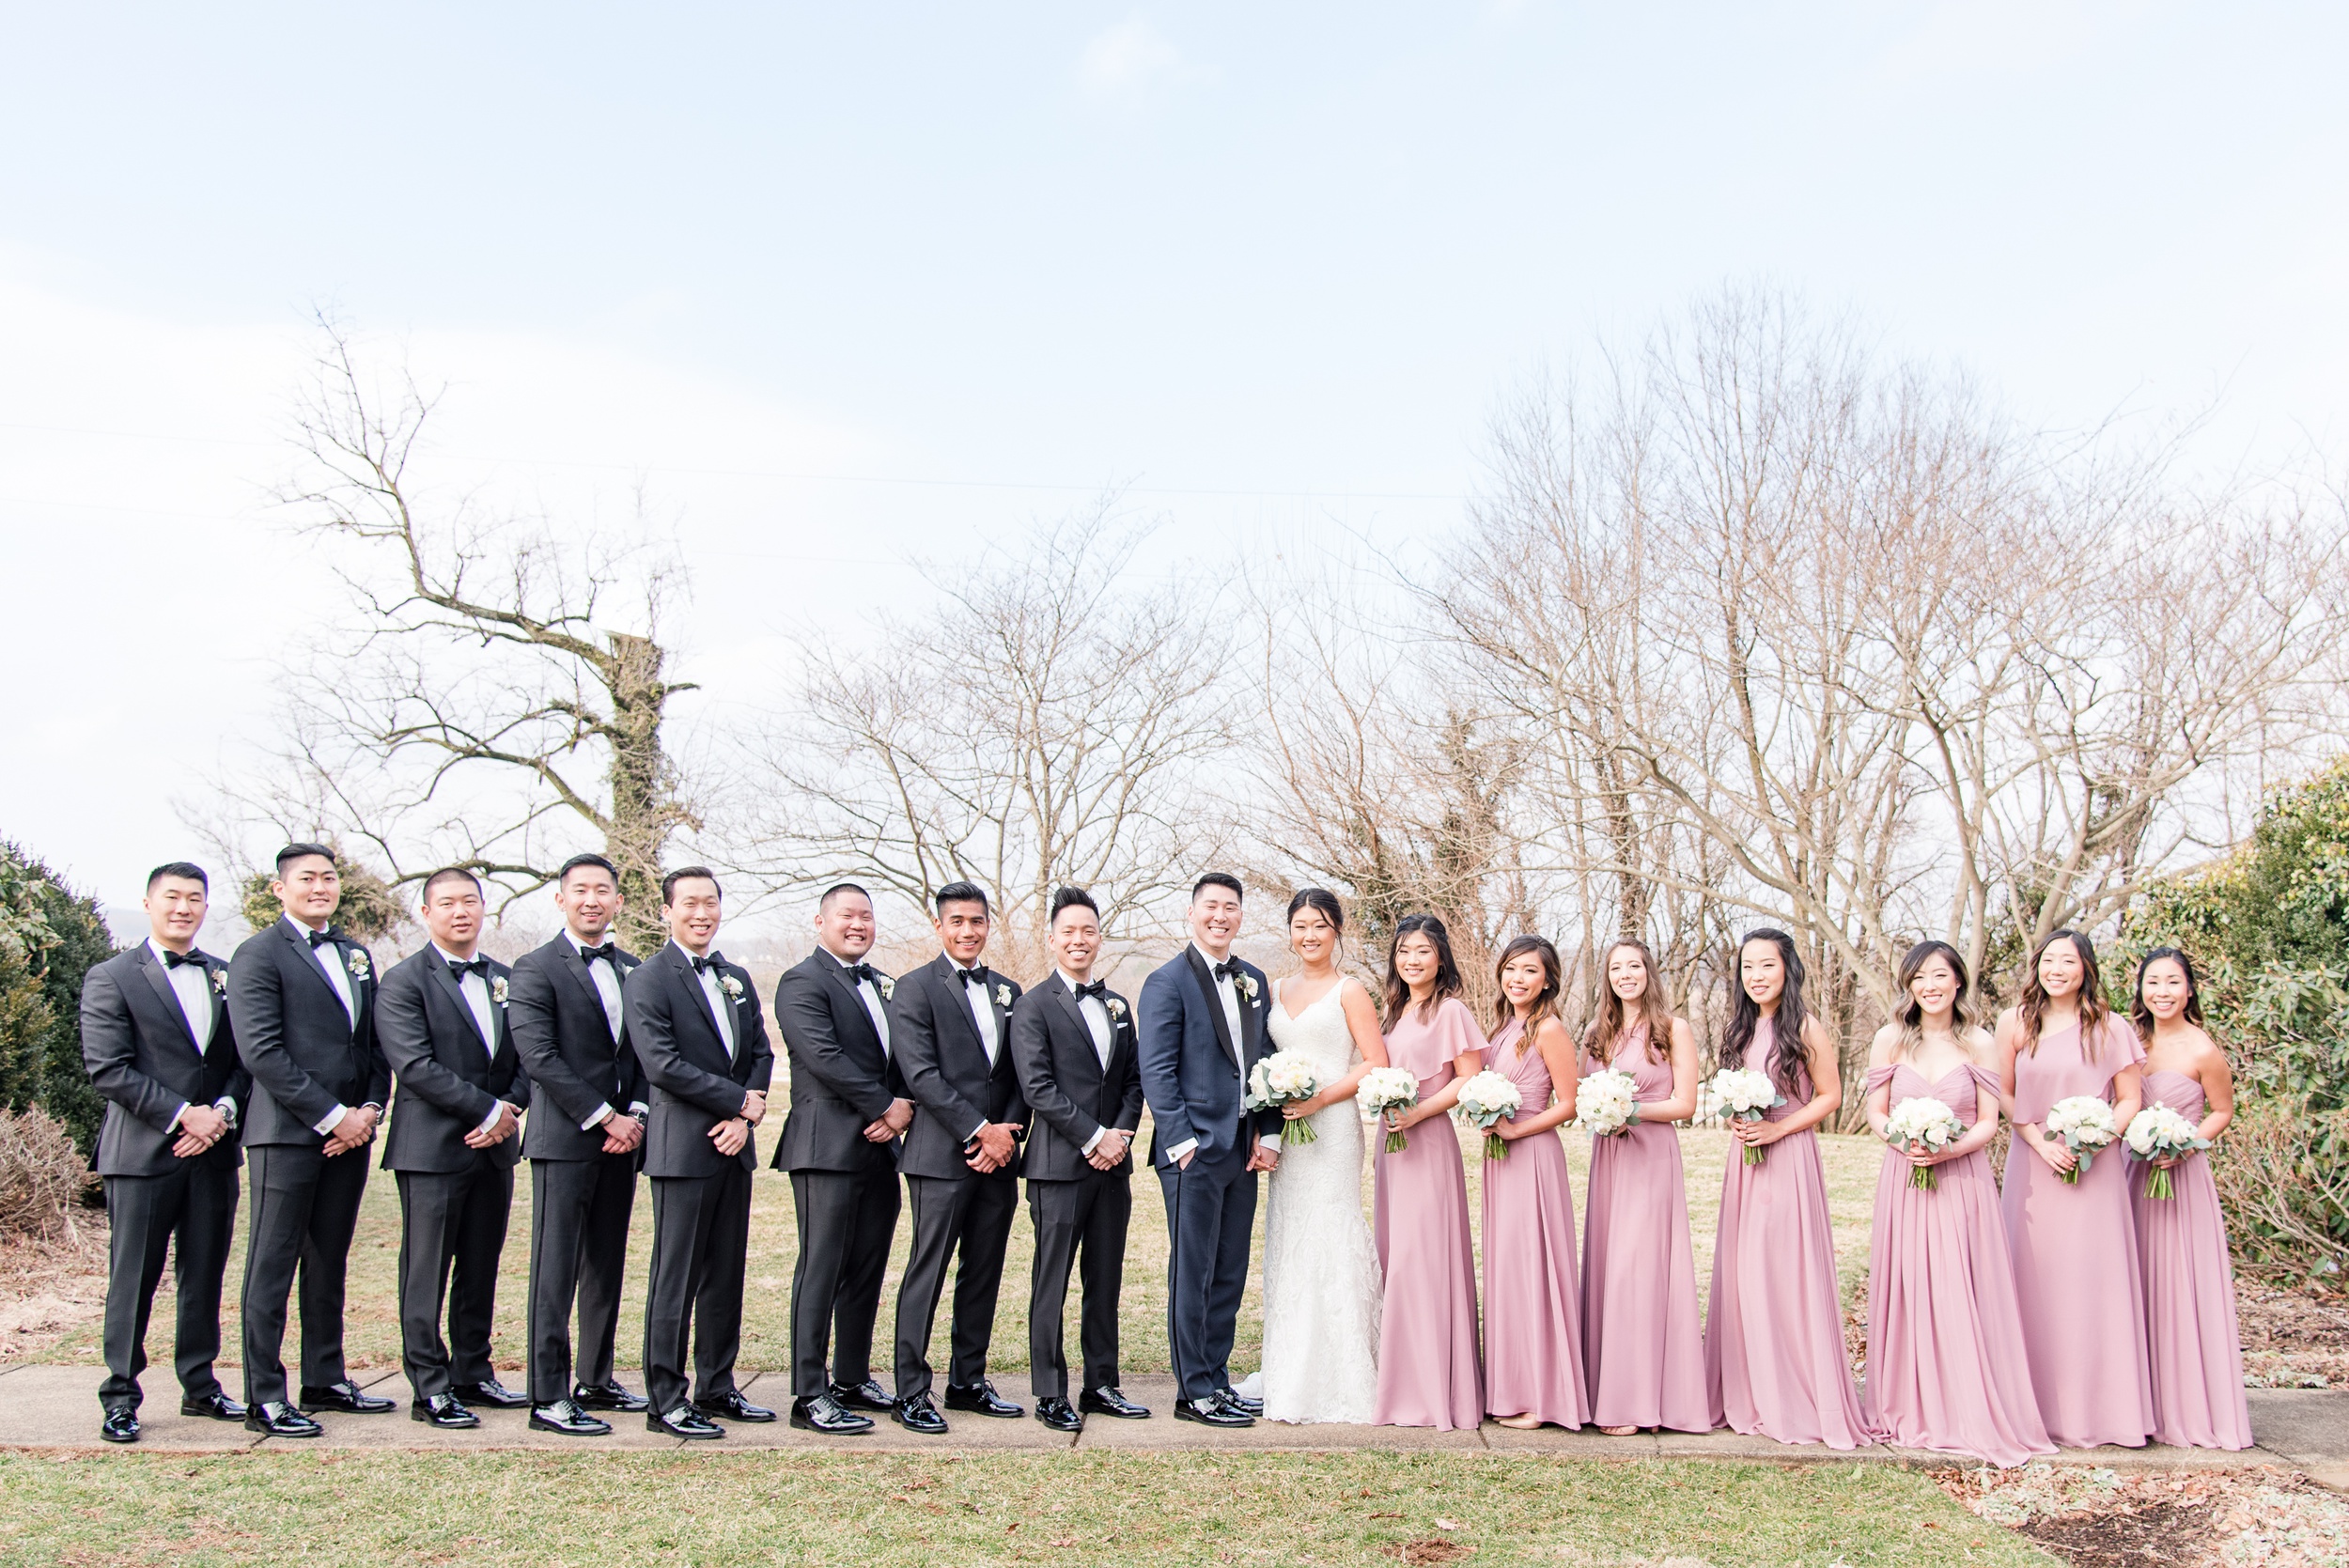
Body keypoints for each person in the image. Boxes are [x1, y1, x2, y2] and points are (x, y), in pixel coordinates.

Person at [1860, 940, 2051, 1466]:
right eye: (1920, 977)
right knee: (1912, 1283)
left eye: (1940, 975)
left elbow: (1990, 1122)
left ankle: (1966, 1404)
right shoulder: (1889, 1040)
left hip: (1962, 1178)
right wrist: (1902, 1141)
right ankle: (1910, 1402)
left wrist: (1948, 1148)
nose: (1930, 985)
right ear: (1909, 984)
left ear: (1958, 982)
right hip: (1904, 1176)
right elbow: (1876, 1112)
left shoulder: (1980, 1043)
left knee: (1957, 1283)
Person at [79, 862, 249, 1443]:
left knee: (203, 1273)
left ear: (206, 907)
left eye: (194, 898)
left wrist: (220, 1115)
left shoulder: (226, 975)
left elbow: (240, 1064)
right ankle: (120, 1395)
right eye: (172, 897)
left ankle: (200, 1387)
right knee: (135, 1276)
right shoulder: (112, 976)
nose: (183, 907)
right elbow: (109, 1069)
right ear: (149, 903)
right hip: (142, 1154)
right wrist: (184, 1114)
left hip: (213, 1151)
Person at [227, 842, 394, 1436]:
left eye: (328, 877)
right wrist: (331, 1116)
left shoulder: (356, 955)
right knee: (272, 1262)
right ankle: (263, 1395)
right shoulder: (257, 954)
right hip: (287, 1135)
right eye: (307, 878)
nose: (320, 887)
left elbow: (374, 1045)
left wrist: (370, 1109)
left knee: (329, 1258)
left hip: (352, 1133)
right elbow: (262, 1053)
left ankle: (324, 1377)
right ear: (280, 888)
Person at [1704, 929, 1876, 1448]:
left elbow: (1831, 1096)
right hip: (1746, 1158)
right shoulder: (1739, 1028)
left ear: (1788, 970)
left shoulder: (1804, 1026)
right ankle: (1752, 1387)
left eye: (1767, 966)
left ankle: (1797, 1393)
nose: (1757, 977)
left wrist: (1778, 1127)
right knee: (1746, 1271)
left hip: (1789, 1153)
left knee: (1783, 1270)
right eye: (1748, 967)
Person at [375, 868, 530, 1429]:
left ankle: (474, 1370)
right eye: (447, 903)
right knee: (426, 1268)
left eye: (470, 901)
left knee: (481, 1265)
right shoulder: (402, 981)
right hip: (432, 1148)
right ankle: (430, 1386)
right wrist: (488, 1110)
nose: (460, 911)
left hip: (495, 1147)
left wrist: (509, 1111)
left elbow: (527, 1058)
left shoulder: (507, 979)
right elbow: (414, 1066)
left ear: (484, 908)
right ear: (426, 912)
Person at [626, 867, 774, 1440]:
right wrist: (737, 1100)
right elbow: (661, 1064)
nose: (701, 912)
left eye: (710, 902)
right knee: (676, 1276)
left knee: (725, 1274)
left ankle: (717, 1385)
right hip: (682, 1149)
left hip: (734, 1147)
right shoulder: (648, 979)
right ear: (667, 911)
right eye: (689, 903)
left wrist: (743, 1117)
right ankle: (665, 1400)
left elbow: (760, 1050)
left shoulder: (735, 976)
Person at [506, 852, 650, 1436]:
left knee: (605, 1264)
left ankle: (596, 1377)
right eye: (580, 890)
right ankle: (548, 1394)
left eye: (603, 891)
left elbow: (644, 1051)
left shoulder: (635, 970)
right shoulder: (534, 967)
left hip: (625, 1139)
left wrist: (634, 1114)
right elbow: (538, 1057)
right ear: (561, 899)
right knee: (555, 1266)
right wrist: (602, 1116)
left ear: (618, 901)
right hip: (565, 1138)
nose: (592, 900)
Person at [1996, 927, 2155, 1450]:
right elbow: (2006, 1096)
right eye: (2048, 960)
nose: (2056, 969)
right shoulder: (2016, 1024)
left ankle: (2104, 1411)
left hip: (2096, 1169)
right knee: (2033, 1281)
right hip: (2033, 1166)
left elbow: (2130, 1097)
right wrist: (2041, 1145)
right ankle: (2032, 1409)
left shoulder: (2110, 1029)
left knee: (2092, 1283)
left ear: (2086, 968)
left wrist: (2098, 1134)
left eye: (2068, 961)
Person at [1136, 872, 1280, 1427]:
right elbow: (1157, 1071)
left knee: (1229, 1270)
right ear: (1192, 914)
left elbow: (1265, 1062)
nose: (1221, 916)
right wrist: (1181, 1143)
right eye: (1211, 906)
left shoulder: (1254, 980)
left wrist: (1267, 1134)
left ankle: (1217, 1379)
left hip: (1242, 1150)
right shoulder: (1165, 982)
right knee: (1191, 1272)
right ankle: (1191, 1390)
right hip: (1192, 1153)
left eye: (1231, 908)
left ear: (1241, 916)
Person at [886, 882, 1029, 1433]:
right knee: (929, 1268)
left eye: (977, 921)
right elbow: (920, 1074)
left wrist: (1007, 1136)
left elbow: (1020, 1071)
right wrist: (977, 1132)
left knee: (983, 1272)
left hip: (999, 1157)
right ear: (940, 926)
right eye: (957, 921)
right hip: (940, 1156)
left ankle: (968, 1381)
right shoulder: (915, 988)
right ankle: (910, 1390)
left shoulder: (1009, 991)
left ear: (988, 925)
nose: (968, 931)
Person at [1009, 887, 1149, 1433]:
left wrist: (1120, 1134)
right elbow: (1038, 1086)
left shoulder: (1117, 1004)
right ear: (1051, 938)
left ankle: (1102, 1383)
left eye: (1088, 930)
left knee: (1105, 1277)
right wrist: (1093, 1136)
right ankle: (1049, 1391)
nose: (1079, 940)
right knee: (1053, 1278)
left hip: (1113, 1167)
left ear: (1098, 937)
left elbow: (1134, 1081)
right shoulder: (1033, 1005)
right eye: (1068, 931)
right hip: (1058, 1166)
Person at [771, 882, 909, 1434]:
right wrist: (886, 1106)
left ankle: (851, 1375)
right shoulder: (801, 982)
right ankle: (810, 1392)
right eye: (847, 916)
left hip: (880, 1149)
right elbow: (822, 1056)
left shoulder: (882, 984)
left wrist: (905, 1104)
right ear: (821, 921)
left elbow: (906, 1053)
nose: (858, 925)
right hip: (825, 1144)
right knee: (821, 1266)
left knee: (866, 1265)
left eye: (867, 917)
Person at [1254, 888, 1385, 1425]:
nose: (1310, 935)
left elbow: (1375, 1060)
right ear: (1290, 931)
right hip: (1288, 1129)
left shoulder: (1351, 991)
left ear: (1337, 933)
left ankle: (1345, 1371)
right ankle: (1289, 1371)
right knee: (1291, 1236)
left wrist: (1320, 1098)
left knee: (1332, 1232)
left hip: (1331, 1129)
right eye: (1301, 925)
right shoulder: (1272, 987)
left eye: (1321, 926)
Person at [1578, 937, 1708, 1436]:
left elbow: (1685, 1105)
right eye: (1615, 967)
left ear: (1649, 972)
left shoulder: (1674, 1029)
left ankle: (1638, 1399)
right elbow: (1583, 1092)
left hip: (1651, 1155)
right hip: (1608, 1157)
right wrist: (1600, 1110)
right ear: (1606, 976)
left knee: (1641, 1268)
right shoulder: (1596, 1031)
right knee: (1611, 1267)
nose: (1625, 974)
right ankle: (1604, 1388)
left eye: (1634, 966)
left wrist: (1629, 1110)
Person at [2130, 947, 2252, 1450]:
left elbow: (2221, 1110)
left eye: (2173, 982)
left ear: (2189, 989)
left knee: (2179, 1281)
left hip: (2181, 1178)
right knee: (2134, 1280)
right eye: (2153, 982)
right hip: (2132, 1174)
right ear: (2141, 989)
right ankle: (2136, 1400)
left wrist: (2187, 1145)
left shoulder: (2203, 1050)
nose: (2162, 992)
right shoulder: (2130, 1041)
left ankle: (2184, 1404)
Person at [1369, 914, 1485, 1430]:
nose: (1411, 961)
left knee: (1424, 1259)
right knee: (1396, 1257)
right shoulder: (1393, 1010)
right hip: (1390, 1146)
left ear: (1441, 957)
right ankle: (1401, 1380)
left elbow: (1468, 1081)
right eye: (1402, 952)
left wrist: (1417, 1112)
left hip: (1428, 1141)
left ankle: (1435, 1388)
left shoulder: (1451, 1010)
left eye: (1421, 951)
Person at [1480, 935, 1591, 1432]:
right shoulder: (1504, 1028)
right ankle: (1511, 1387)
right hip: (1499, 1159)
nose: (1517, 979)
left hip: (1533, 1155)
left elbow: (1568, 1104)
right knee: (1508, 1270)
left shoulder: (1549, 1029)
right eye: (1511, 969)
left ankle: (1545, 1396)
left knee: (1535, 1268)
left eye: (1529, 971)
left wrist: (1516, 1129)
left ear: (1547, 979)